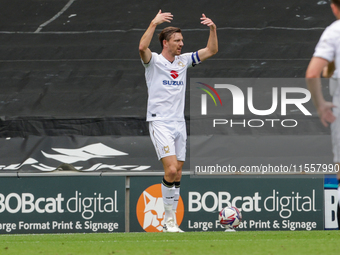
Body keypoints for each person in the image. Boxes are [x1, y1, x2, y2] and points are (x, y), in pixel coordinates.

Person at [139, 10, 218, 232]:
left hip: (178, 123)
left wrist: (213, 29)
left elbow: (212, 50)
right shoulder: (153, 61)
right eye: (177, 40)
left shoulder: (184, 61)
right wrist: (153, 22)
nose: (181, 44)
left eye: (182, 40)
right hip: (160, 122)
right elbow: (142, 48)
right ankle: (169, 220)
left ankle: (170, 222)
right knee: (171, 169)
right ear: (165, 43)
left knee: (179, 171)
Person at [306, 0, 340, 228]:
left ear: (333, 6)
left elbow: (313, 74)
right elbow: (327, 71)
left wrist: (320, 105)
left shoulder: (334, 31)